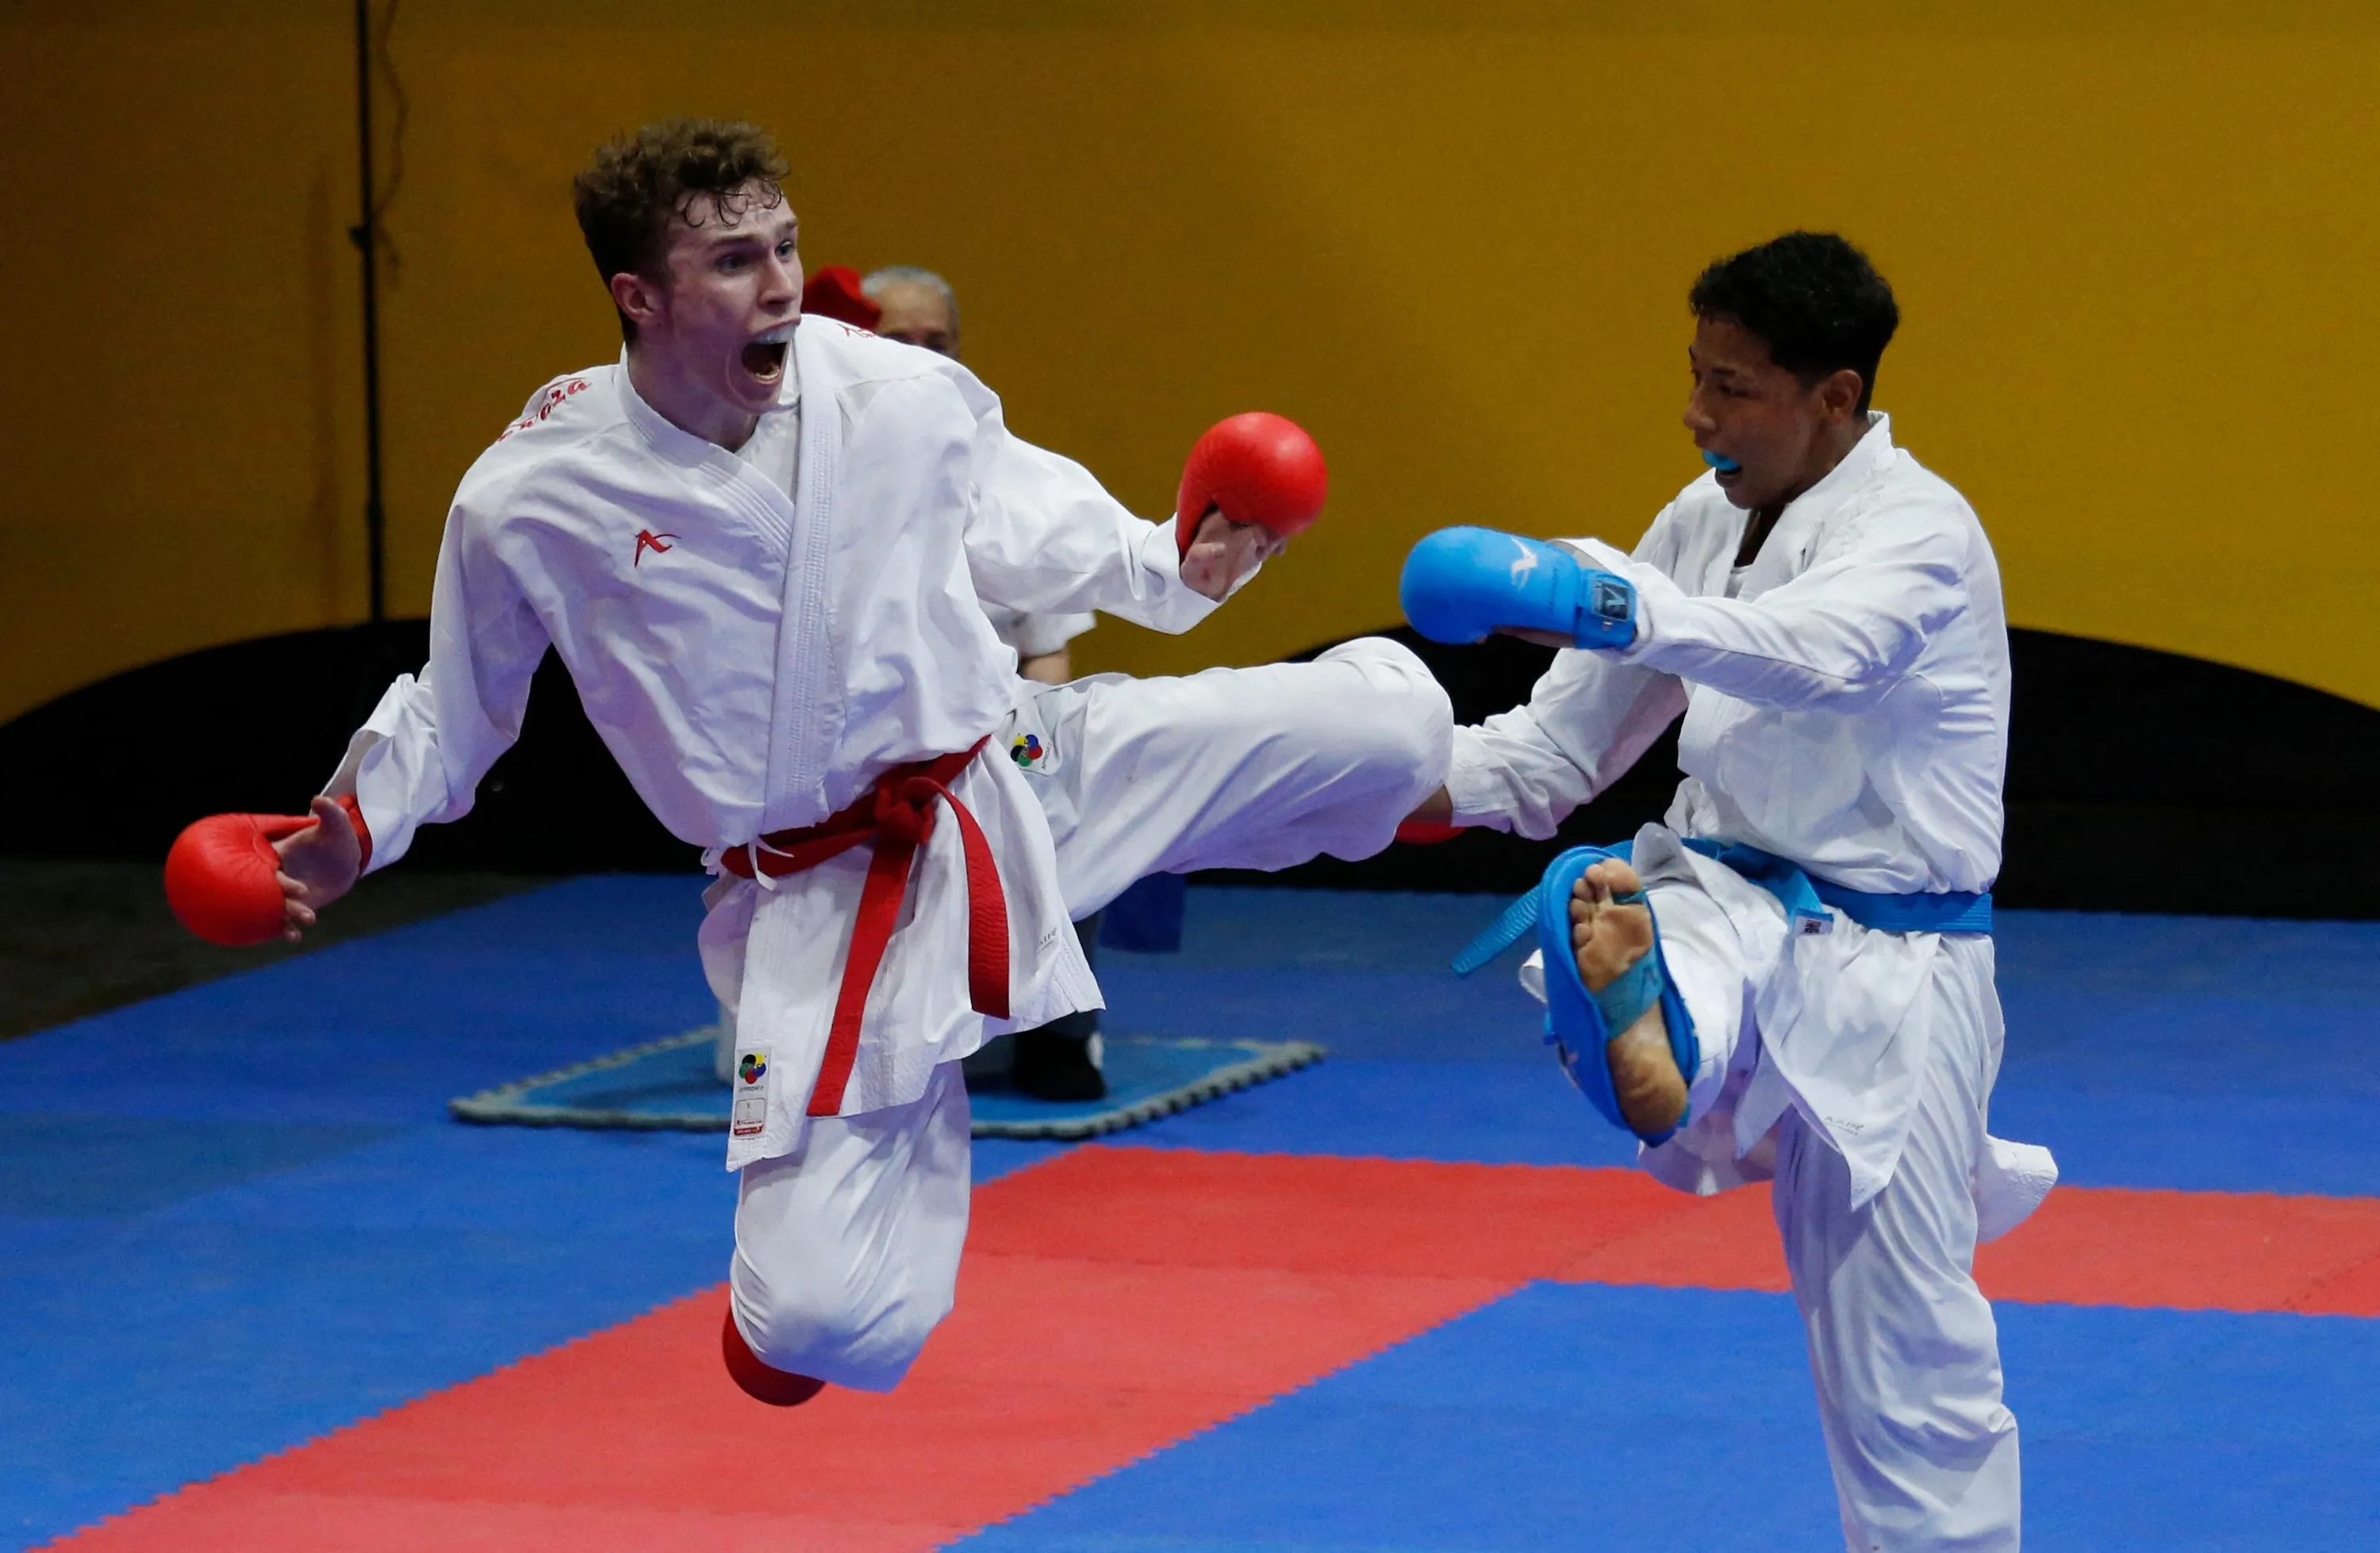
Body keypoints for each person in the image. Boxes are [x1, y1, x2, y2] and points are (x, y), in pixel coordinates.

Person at [266, 120, 1450, 1403]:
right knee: (819, 1327)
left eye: (784, 245)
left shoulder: (895, 395)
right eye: (734, 261)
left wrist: (1180, 564)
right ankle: (852, 1228)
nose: (779, 283)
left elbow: (1053, 530)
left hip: (1010, 779)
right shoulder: (536, 493)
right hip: (819, 899)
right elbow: (457, 706)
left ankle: (1493, 768)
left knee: (1398, 728)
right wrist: (353, 827)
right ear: (640, 296)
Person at [1399, 232, 2052, 1551]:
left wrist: (1610, 602)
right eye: (1695, 375)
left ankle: (1662, 1034)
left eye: (1733, 387)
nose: (1697, 414)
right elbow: (1553, 753)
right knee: (1649, 902)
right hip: (1725, 902)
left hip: (1897, 967)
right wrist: (1346, 778)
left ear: (1837, 396)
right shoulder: (1699, 521)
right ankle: (1655, 1032)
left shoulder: (1921, 531)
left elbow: (1818, 656)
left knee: (1906, 1372)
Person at [861, 261, 1107, 1097]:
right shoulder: (807, 476)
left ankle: (1060, 1036)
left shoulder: (1009, 482)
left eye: (938, 343)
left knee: (1069, 807)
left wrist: (1019, 740)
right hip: (870, 744)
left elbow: (1050, 651)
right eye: (898, 340)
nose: (922, 358)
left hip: (992, 730)